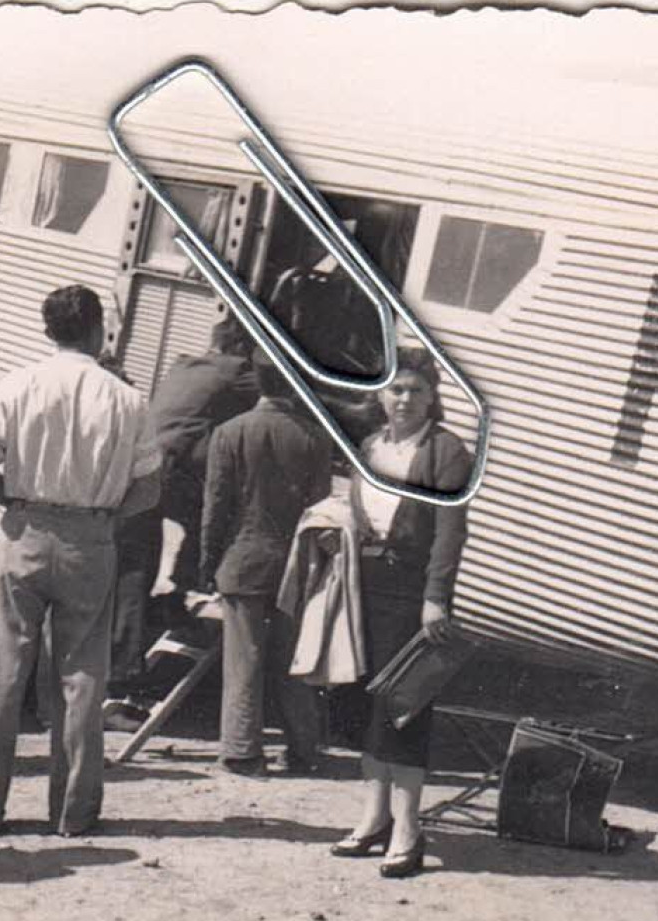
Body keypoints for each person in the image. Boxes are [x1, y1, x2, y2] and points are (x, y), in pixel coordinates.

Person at [0, 284, 161, 837]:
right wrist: (104, 519)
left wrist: (14, 505)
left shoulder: (19, 384)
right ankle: (72, 810)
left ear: (48, 331)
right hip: (90, 539)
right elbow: (149, 488)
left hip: (24, 528)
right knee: (82, 678)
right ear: (99, 330)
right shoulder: (127, 399)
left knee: (2, 674)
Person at [331, 347, 471, 878]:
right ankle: (373, 820)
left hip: (412, 592)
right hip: (364, 585)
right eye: (394, 389)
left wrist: (437, 596)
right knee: (365, 703)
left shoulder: (446, 452)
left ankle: (408, 828)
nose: (403, 399)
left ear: (433, 396)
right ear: (380, 395)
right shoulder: (368, 446)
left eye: (414, 390)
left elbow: (450, 532)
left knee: (405, 707)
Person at [107, 312, 259, 718]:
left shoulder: (184, 363)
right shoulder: (237, 371)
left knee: (142, 560)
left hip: (144, 469)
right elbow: (283, 395)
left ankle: (176, 593)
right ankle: (123, 679)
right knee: (204, 525)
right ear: (245, 348)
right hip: (169, 473)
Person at [199, 351, 332, 776]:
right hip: (293, 564)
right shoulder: (314, 438)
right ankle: (304, 751)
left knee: (245, 660)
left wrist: (207, 564)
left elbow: (215, 507)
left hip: (242, 559)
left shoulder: (229, 433)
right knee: (293, 660)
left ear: (256, 381)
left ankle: (242, 752)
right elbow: (320, 513)